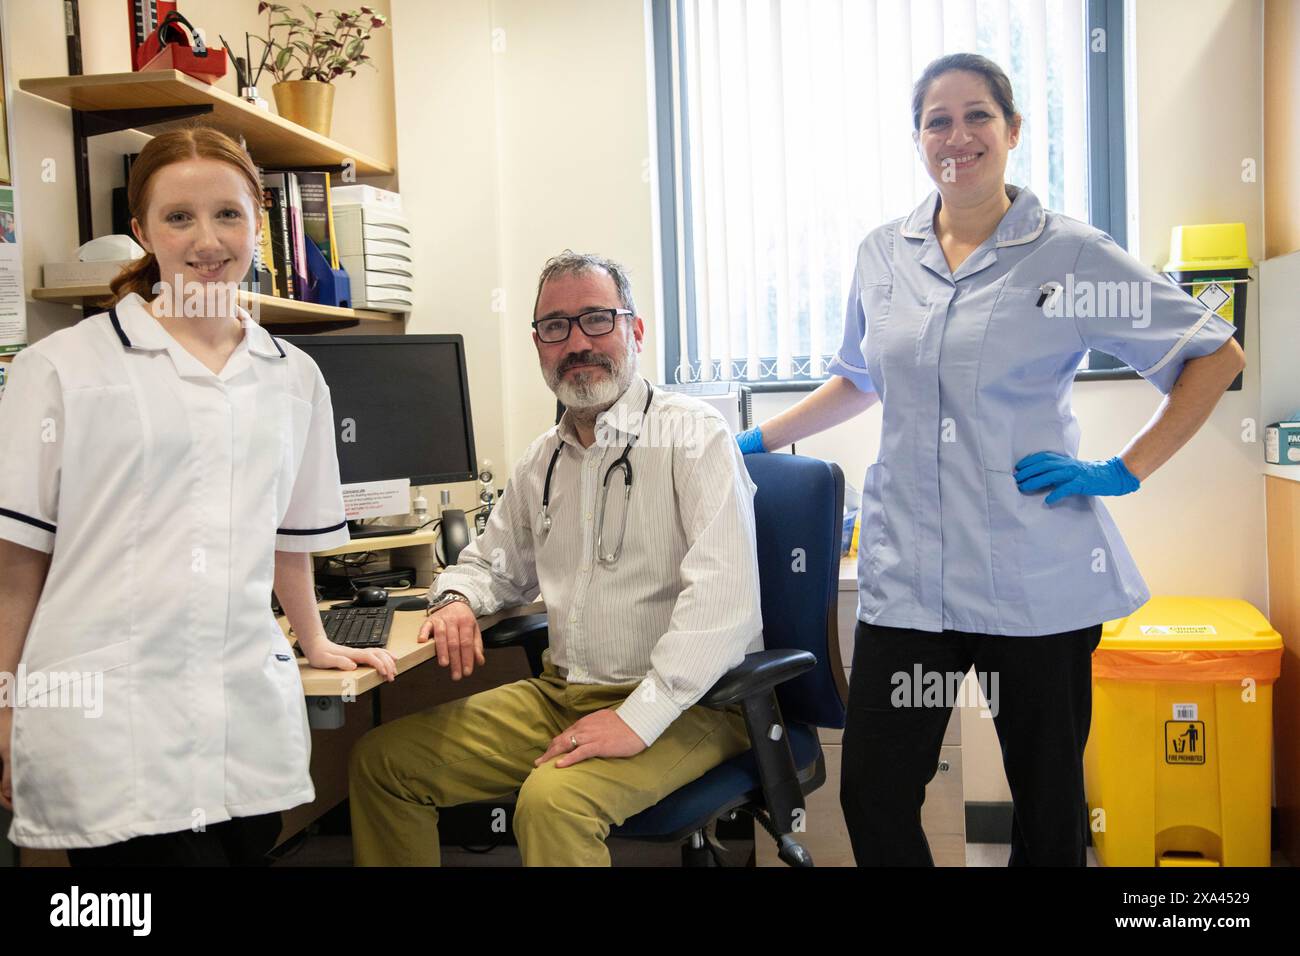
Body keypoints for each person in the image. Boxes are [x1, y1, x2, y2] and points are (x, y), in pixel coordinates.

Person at [737, 53, 1245, 866]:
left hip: (1032, 582)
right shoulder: (882, 254)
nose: (958, 135)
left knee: (1047, 803)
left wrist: (1122, 469)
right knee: (874, 793)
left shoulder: (1070, 257)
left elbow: (1213, 355)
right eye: (938, 120)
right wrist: (753, 443)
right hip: (912, 585)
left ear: (1012, 130)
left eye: (978, 116)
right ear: (918, 139)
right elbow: (859, 378)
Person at [0, 126, 396, 865]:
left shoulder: (292, 375)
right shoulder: (59, 369)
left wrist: (314, 638)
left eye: (229, 214)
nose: (207, 240)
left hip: (240, 708)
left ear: (257, 226)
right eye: (178, 217)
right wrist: (4, 697)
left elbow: (289, 536)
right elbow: (18, 559)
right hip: (105, 718)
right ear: (141, 231)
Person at [349, 251, 762, 866]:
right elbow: (491, 563)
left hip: (694, 703)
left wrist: (638, 717)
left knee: (552, 802)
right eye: (554, 327)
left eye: (597, 319)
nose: (576, 342)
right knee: (382, 764)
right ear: (538, 344)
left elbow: (723, 605)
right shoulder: (541, 460)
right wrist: (457, 597)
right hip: (563, 693)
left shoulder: (695, 437)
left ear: (635, 329)